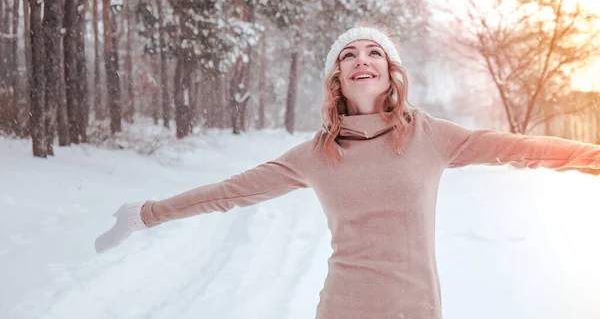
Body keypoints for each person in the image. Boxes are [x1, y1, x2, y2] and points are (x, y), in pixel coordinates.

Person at [95, 25, 600, 319]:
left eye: (374, 52)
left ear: (391, 71)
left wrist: (592, 157)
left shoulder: (430, 135)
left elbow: (521, 148)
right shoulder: (317, 153)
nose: (362, 59)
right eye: (349, 55)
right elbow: (230, 193)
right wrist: (145, 214)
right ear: (337, 76)